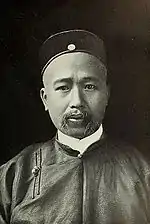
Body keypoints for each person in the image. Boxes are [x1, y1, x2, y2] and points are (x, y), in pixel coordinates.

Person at [0, 29, 150, 224]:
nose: (77, 101)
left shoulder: (142, 172)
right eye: (63, 87)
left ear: (106, 94)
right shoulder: (12, 176)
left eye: (89, 86)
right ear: (45, 99)